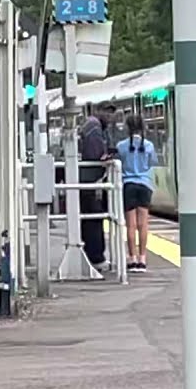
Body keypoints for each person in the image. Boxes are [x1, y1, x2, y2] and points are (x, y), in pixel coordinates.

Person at [115, 114, 158, 272]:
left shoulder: (121, 146)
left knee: (131, 225)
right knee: (143, 224)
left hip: (128, 185)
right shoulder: (149, 145)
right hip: (145, 185)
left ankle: (132, 258)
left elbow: (118, 161)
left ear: (127, 128)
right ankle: (143, 258)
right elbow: (152, 162)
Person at [78, 102, 117, 269]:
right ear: (98, 111)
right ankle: (96, 257)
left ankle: (93, 256)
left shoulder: (91, 125)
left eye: (111, 113)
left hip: (86, 181)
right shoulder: (94, 128)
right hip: (90, 181)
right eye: (107, 112)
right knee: (94, 219)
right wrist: (106, 158)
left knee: (90, 220)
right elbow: (96, 155)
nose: (109, 117)